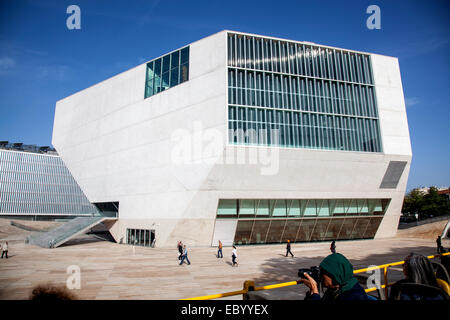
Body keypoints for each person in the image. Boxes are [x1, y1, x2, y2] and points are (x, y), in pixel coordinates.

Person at [300, 253, 369, 301]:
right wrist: (312, 292)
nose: (320, 275)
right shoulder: (335, 289)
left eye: (323, 272)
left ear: (334, 275)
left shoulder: (355, 296)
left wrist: (315, 293)